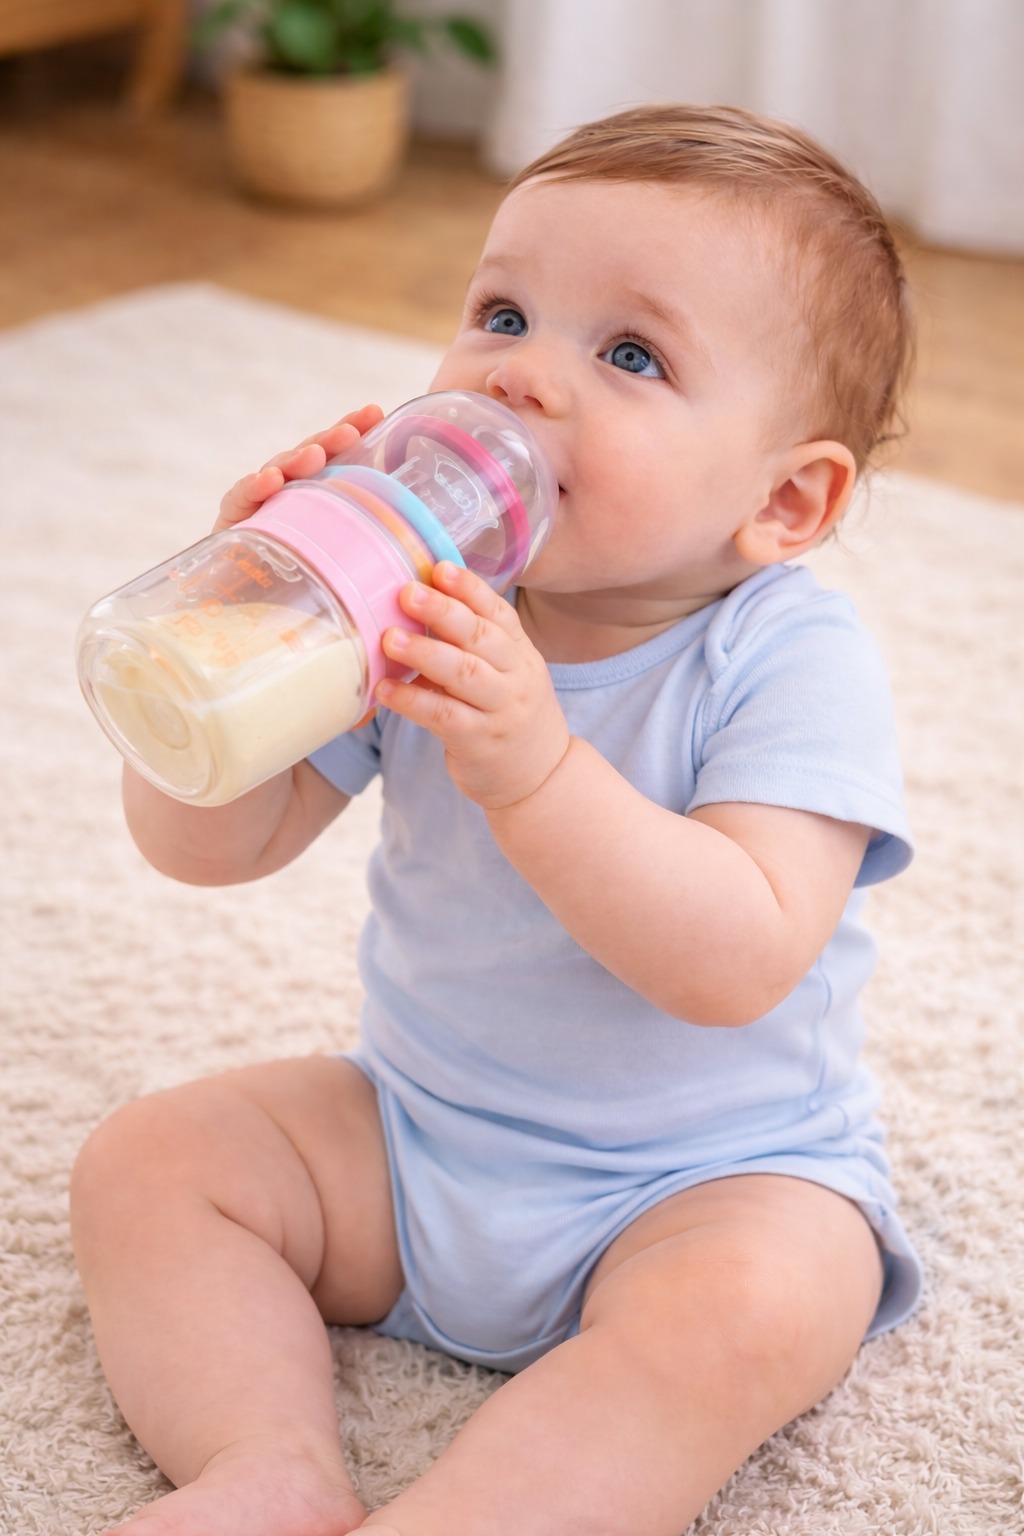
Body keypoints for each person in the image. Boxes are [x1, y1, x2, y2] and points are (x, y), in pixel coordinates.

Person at [70, 103, 923, 1536]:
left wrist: (535, 766)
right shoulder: (418, 603)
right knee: (148, 1165)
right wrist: (241, 632)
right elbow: (210, 848)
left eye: (630, 354)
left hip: (701, 1184)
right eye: (503, 311)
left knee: (767, 1305)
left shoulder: (787, 657)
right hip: (414, 1138)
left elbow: (739, 958)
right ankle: (264, 1464)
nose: (522, 377)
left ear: (786, 499)